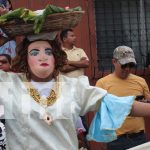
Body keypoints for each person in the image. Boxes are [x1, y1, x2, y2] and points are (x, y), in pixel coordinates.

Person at [0, 34, 150, 150]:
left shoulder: (74, 87)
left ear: (56, 57)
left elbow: (120, 104)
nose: (42, 56)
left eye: (48, 51)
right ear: (25, 59)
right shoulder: (8, 84)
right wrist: (5, 35)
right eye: (34, 52)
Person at [96, 45, 150, 150]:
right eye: (124, 65)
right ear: (114, 62)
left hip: (139, 137)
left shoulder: (140, 81)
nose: (127, 69)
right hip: (116, 140)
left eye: (131, 65)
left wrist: (144, 103)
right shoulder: (102, 83)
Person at [60, 29, 89, 149]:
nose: (75, 37)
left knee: (83, 120)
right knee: (71, 120)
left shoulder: (80, 50)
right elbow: (63, 68)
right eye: (72, 36)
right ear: (64, 39)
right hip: (66, 92)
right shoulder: (59, 52)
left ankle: (84, 146)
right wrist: (78, 64)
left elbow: (86, 64)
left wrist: (70, 62)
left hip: (81, 91)